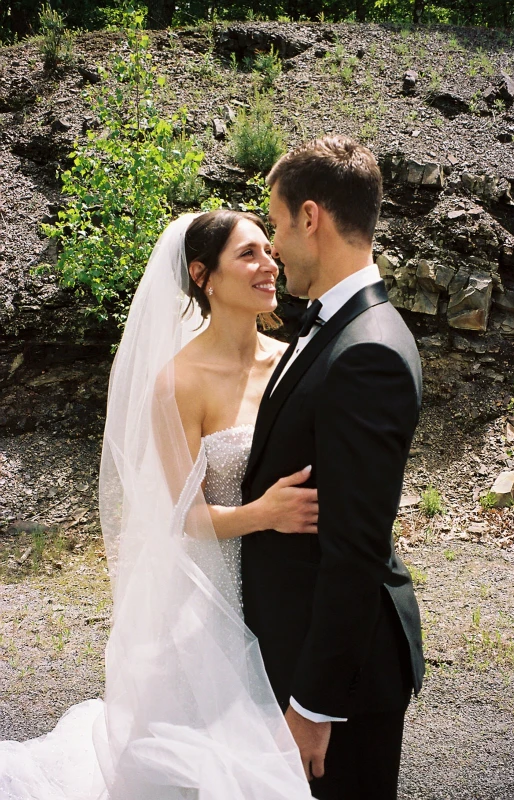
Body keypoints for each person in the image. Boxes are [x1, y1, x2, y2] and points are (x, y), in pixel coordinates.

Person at [0, 210, 317, 799]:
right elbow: (186, 516)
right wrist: (264, 514)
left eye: (269, 251)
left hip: (289, 586)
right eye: (248, 255)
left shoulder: (291, 361)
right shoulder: (180, 381)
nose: (270, 264)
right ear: (204, 276)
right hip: (213, 592)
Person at [241, 135, 425, 799]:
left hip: (339, 684)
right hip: (297, 650)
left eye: (277, 224)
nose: (274, 244)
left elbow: (355, 548)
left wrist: (315, 706)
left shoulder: (365, 350)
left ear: (310, 218)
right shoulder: (333, 326)